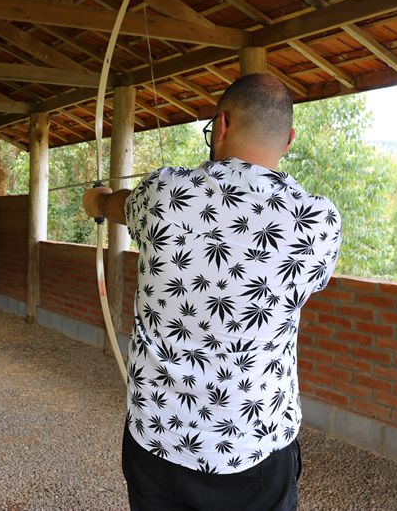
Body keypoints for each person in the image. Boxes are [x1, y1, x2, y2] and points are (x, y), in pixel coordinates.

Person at [83, 73, 342, 511]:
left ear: (221, 125)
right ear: (289, 139)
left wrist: (97, 201)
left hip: (160, 436)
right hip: (259, 443)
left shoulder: (163, 194)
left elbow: (114, 206)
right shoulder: (317, 222)